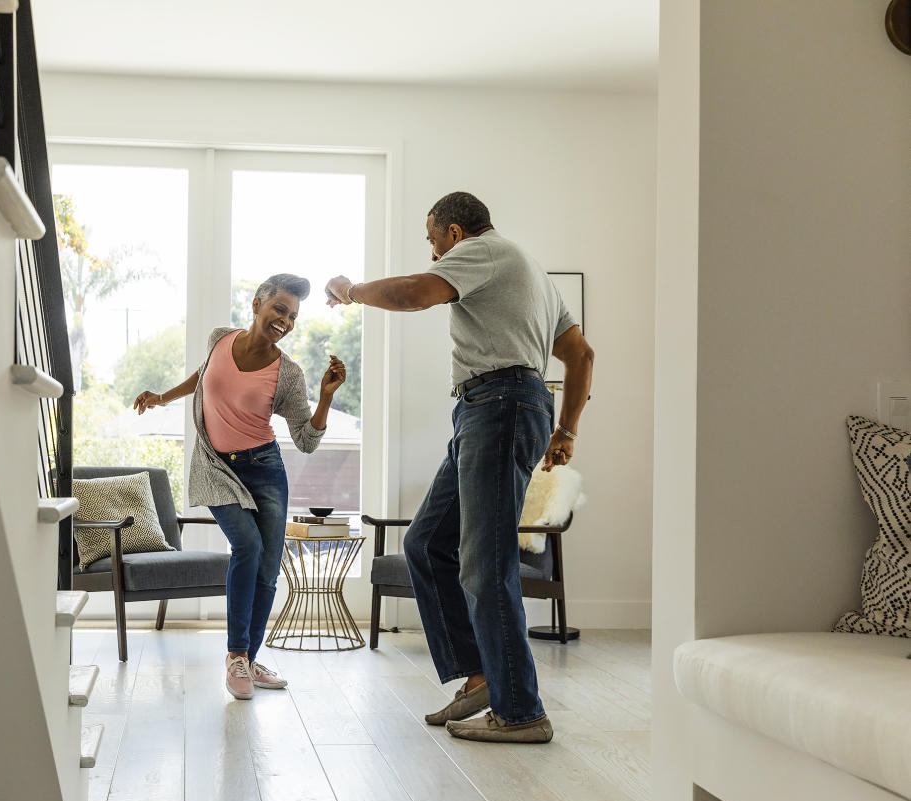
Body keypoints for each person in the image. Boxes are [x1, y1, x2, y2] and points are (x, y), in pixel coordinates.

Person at [325, 192, 594, 743]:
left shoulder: (484, 250)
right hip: (490, 408)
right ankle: (482, 676)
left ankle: (521, 711)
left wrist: (351, 291)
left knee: (485, 563)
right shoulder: (536, 276)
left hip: (500, 404)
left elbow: (414, 294)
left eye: (431, 240)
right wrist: (565, 430)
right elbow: (581, 355)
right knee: (426, 543)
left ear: (453, 231)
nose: (432, 252)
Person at [132, 273, 346, 701]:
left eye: (292, 315)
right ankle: (236, 657)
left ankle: (249, 659)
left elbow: (305, 439)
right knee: (247, 547)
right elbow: (203, 374)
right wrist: (163, 398)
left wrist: (325, 397)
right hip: (215, 466)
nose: (285, 320)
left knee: (268, 568)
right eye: (279, 309)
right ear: (257, 304)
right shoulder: (219, 339)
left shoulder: (288, 373)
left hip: (265, 469)